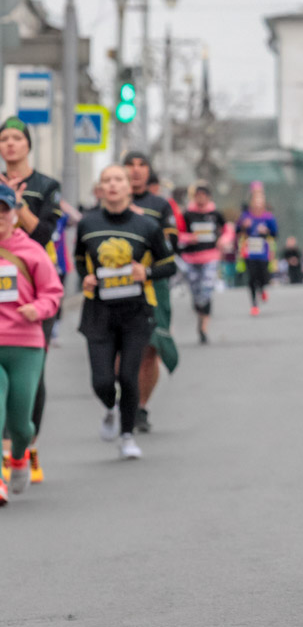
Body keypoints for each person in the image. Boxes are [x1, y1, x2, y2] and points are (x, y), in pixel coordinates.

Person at [74, 164, 176, 460]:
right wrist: (86, 277)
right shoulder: (88, 223)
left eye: (118, 179)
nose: (113, 185)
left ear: (129, 187)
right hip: (99, 313)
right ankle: (110, 408)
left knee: (129, 378)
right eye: (107, 180)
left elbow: (169, 264)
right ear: (101, 188)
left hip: (135, 313)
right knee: (102, 381)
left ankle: (128, 436)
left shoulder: (146, 226)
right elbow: (80, 260)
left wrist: (145, 271)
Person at [0, 116, 62, 485]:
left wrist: (17, 203)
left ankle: (24, 448)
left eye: (15, 139)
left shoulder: (45, 186)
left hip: (27, 326)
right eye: (3, 138)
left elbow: (43, 232)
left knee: (24, 405)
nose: (9, 145)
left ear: (27, 145)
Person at [122, 152, 180, 433]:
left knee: (149, 349)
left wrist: (145, 228)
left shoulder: (159, 205)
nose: (135, 171)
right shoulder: (111, 203)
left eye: (141, 165)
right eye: (130, 166)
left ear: (148, 172)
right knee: (120, 347)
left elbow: (171, 246)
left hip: (153, 284)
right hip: (117, 285)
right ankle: (126, 399)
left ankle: (141, 406)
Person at [181, 181, 224, 343]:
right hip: (191, 258)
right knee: (195, 291)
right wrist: (187, 238)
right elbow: (178, 233)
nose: (201, 199)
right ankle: (200, 313)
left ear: (209, 197)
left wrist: (224, 240)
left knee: (206, 288)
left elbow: (227, 230)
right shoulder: (187, 214)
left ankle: (204, 326)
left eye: (203, 196)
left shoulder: (215, 214)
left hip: (210, 256)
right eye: (197, 196)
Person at [236, 185, 278, 314]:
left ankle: (263, 288)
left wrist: (266, 232)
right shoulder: (245, 216)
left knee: (264, 276)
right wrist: (244, 227)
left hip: (264, 252)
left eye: (260, 201)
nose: (258, 204)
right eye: (255, 201)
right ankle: (254, 304)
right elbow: (237, 231)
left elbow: (275, 234)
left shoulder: (268, 217)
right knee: (252, 277)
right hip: (249, 252)